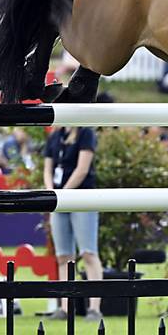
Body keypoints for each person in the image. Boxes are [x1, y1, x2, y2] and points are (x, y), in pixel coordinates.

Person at [43, 126, 103, 321]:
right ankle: (66, 307)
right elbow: (48, 169)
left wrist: (63, 193)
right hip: (59, 199)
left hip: (81, 197)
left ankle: (94, 308)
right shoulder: (55, 136)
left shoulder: (86, 132)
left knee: (88, 253)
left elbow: (82, 169)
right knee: (63, 256)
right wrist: (52, 193)